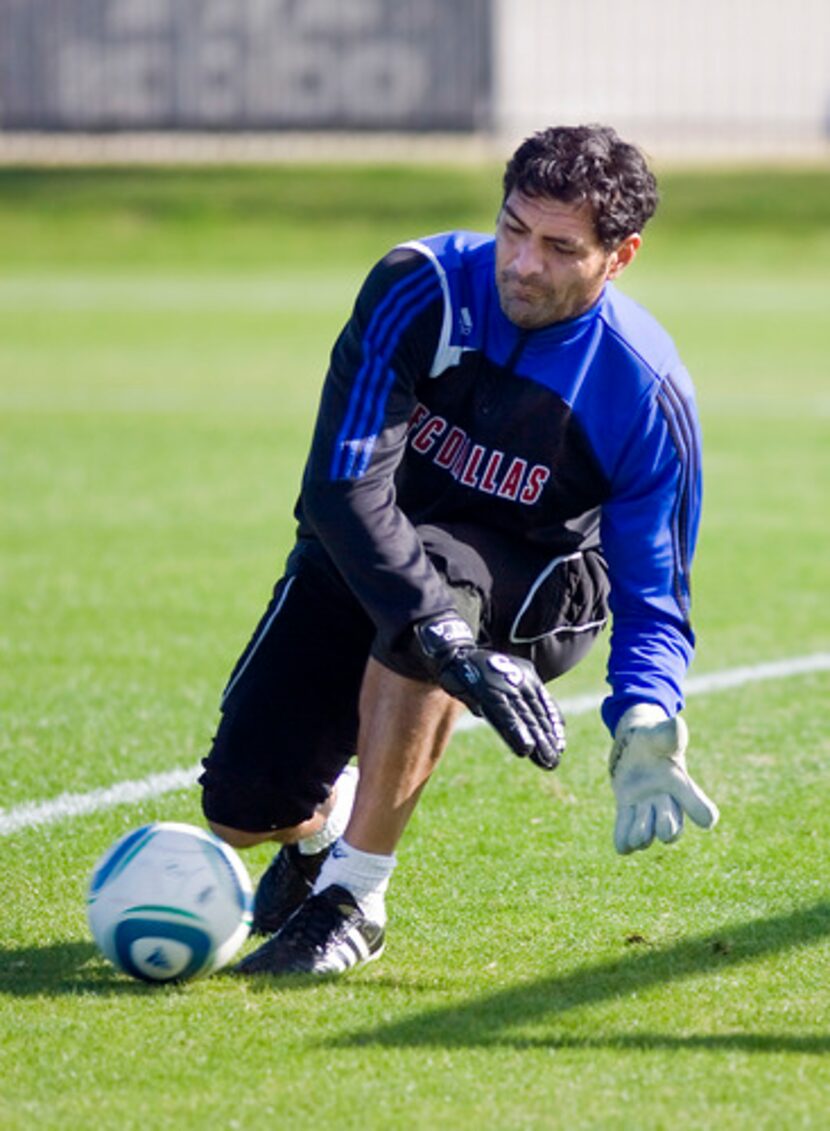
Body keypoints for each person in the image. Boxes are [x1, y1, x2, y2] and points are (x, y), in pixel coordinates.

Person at [198, 124, 719, 977]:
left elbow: (655, 596)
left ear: (619, 257)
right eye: (514, 228)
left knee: (440, 583)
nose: (522, 263)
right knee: (244, 801)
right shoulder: (421, 286)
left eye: (560, 247)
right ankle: (318, 839)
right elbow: (341, 485)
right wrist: (438, 632)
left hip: (540, 581)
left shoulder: (645, 390)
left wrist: (647, 719)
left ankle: (356, 895)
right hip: (379, 544)